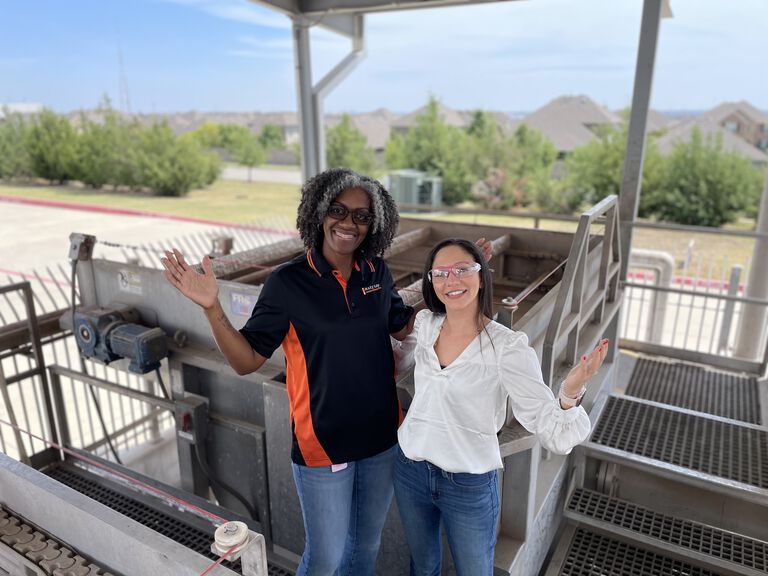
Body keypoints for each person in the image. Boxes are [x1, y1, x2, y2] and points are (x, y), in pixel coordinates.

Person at [161, 168, 416, 576]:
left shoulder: (376, 273)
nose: (349, 223)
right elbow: (247, 361)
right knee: (325, 559)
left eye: (362, 216)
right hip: (323, 446)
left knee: (365, 549)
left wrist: (457, 282)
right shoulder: (287, 283)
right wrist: (212, 308)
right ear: (319, 212)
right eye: (338, 210)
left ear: (376, 223)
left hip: (383, 440)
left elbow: (403, 324)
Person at [392, 238, 608, 576]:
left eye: (463, 269)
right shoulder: (426, 325)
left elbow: (543, 420)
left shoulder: (507, 347)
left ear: (482, 275)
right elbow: (399, 360)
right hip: (411, 469)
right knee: (422, 565)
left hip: (469, 482)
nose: (452, 280)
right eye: (441, 273)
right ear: (431, 282)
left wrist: (570, 390)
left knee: (475, 570)